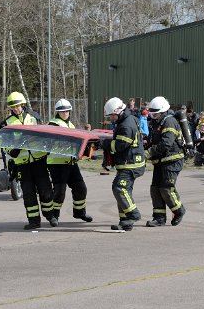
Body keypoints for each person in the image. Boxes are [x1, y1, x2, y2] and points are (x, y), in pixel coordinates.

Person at [3, 91, 55, 229]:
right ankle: (34, 221)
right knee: (28, 194)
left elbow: (44, 135)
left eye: (18, 106)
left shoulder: (34, 117)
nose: (16, 109)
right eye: (13, 107)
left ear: (23, 104)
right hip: (22, 164)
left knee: (46, 190)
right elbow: (4, 144)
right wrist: (14, 150)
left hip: (39, 161)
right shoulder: (6, 123)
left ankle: (50, 215)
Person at [102, 97, 146, 231]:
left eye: (112, 116)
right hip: (128, 162)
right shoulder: (126, 120)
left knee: (119, 188)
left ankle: (133, 214)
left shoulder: (126, 124)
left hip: (131, 164)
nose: (111, 119)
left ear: (119, 112)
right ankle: (125, 221)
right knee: (124, 190)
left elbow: (121, 145)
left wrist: (104, 143)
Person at [47, 99, 92, 223]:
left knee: (81, 188)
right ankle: (54, 216)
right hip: (57, 164)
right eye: (62, 111)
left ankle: (79, 212)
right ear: (58, 112)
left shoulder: (70, 125)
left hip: (71, 162)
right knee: (59, 192)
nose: (65, 113)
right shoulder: (53, 124)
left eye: (67, 111)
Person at [144, 96, 186, 227]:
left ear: (163, 111)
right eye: (152, 113)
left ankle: (179, 210)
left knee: (166, 188)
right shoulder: (157, 122)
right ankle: (159, 218)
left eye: (155, 113)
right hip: (160, 161)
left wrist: (149, 152)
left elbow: (166, 143)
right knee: (155, 189)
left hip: (172, 160)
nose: (153, 116)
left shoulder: (169, 122)